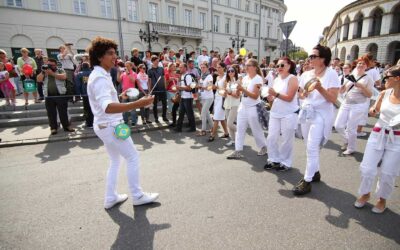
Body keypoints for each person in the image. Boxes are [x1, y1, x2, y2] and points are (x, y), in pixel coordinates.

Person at [87, 36, 158, 209]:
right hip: (111, 125)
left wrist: (121, 97)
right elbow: (107, 107)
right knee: (132, 156)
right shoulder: (100, 78)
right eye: (110, 53)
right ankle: (137, 195)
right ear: (99, 57)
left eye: (115, 53)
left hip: (106, 125)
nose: (115, 57)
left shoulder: (100, 75)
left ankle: (110, 197)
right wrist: (138, 103)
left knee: (116, 161)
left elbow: (107, 102)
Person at [293, 44, 340, 195]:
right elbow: (300, 94)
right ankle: (316, 172)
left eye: (313, 56)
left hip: (321, 115)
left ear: (323, 59)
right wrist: (304, 94)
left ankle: (307, 181)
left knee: (312, 147)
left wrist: (319, 88)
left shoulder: (331, 74)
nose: (309, 59)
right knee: (308, 145)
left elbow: (333, 99)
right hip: (307, 113)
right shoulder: (306, 74)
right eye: (310, 56)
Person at [354, 65, 400, 214]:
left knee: (388, 172)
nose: (383, 80)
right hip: (378, 133)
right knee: (367, 168)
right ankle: (365, 193)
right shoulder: (384, 93)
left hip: (397, 138)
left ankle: (382, 199)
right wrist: (373, 111)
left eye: (387, 77)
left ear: (397, 79)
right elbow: (374, 109)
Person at [226, 59, 268, 159]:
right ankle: (237, 150)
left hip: (253, 107)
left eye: (248, 65)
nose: (246, 67)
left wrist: (242, 89)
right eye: (245, 65)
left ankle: (263, 146)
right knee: (240, 129)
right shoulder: (245, 78)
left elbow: (255, 96)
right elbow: (241, 94)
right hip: (243, 106)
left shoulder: (258, 79)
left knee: (256, 129)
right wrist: (235, 91)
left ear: (254, 67)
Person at [264, 57, 299, 171]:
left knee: (286, 139)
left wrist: (275, 94)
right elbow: (274, 97)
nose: (279, 68)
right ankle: (273, 159)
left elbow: (289, 98)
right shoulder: (277, 79)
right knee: (271, 137)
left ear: (289, 66)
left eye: (282, 65)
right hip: (275, 112)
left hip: (288, 113)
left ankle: (285, 162)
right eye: (277, 65)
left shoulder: (292, 78)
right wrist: (270, 97)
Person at [334, 57, 374, 155]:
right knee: (338, 125)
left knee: (351, 128)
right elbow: (342, 91)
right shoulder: (351, 75)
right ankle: (347, 140)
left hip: (358, 105)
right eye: (359, 63)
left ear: (367, 66)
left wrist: (361, 86)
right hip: (346, 102)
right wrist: (342, 88)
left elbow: (369, 95)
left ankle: (351, 148)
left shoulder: (368, 78)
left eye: (363, 64)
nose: (360, 65)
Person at [37, 58, 75, 135]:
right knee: (51, 113)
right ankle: (53, 128)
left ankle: (66, 126)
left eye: (51, 65)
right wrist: (43, 72)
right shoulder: (44, 71)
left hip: (60, 95)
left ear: (55, 65)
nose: (50, 66)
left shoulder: (60, 70)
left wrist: (52, 73)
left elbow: (64, 77)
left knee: (63, 112)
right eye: (48, 65)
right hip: (49, 96)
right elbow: (38, 80)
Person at [208, 62, 229, 142]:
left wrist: (216, 87)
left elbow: (226, 89)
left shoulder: (226, 77)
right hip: (217, 98)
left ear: (224, 68)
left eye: (220, 67)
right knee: (221, 117)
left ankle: (212, 135)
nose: (218, 68)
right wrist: (213, 87)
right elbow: (216, 88)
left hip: (222, 98)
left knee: (216, 117)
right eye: (217, 67)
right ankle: (226, 133)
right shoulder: (217, 77)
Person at [175, 63, 196, 132]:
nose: (179, 68)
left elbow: (189, 88)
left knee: (189, 113)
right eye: (179, 67)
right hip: (183, 97)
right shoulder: (182, 76)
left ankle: (193, 128)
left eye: (181, 67)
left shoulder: (188, 76)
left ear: (185, 68)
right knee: (181, 113)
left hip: (188, 97)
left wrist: (179, 87)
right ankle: (178, 128)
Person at [147, 55, 169, 123]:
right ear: (153, 61)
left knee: (164, 104)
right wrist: (149, 90)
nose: (157, 62)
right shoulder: (149, 70)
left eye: (158, 61)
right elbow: (149, 81)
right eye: (156, 61)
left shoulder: (161, 69)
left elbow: (164, 78)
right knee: (155, 105)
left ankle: (164, 116)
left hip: (162, 89)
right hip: (154, 90)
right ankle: (156, 118)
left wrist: (165, 87)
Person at [223, 66, 241, 146]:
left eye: (232, 71)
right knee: (228, 124)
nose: (230, 72)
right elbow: (225, 94)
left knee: (229, 124)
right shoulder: (226, 82)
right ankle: (233, 140)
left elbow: (238, 96)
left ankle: (240, 133)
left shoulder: (237, 82)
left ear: (235, 72)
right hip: (227, 104)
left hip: (235, 104)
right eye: (228, 71)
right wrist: (224, 93)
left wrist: (230, 92)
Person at [117, 61, 138, 126]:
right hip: (124, 92)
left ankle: (133, 121)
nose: (126, 67)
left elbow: (133, 81)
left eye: (127, 66)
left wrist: (128, 73)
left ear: (131, 66)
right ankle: (125, 121)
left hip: (132, 93)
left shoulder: (134, 73)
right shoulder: (123, 73)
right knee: (124, 108)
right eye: (125, 66)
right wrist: (118, 72)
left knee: (132, 108)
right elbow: (118, 80)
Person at [197, 62, 214, 136]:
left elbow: (210, 87)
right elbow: (201, 87)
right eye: (201, 67)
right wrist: (198, 88)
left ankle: (203, 130)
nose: (202, 69)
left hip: (209, 98)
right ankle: (213, 128)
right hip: (203, 97)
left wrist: (201, 87)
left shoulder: (209, 76)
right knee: (206, 114)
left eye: (204, 67)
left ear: (207, 68)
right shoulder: (202, 76)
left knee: (203, 113)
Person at [75, 62, 93, 128]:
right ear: (89, 66)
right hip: (94, 94)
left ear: (82, 67)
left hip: (85, 94)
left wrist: (78, 95)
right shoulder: (93, 73)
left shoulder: (79, 74)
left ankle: (89, 123)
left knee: (87, 109)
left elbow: (78, 85)